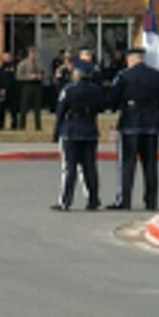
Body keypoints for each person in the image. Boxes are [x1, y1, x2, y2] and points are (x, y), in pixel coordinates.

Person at [108, 46, 159, 210]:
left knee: (127, 164)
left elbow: (113, 99)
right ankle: (151, 200)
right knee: (150, 165)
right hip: (151, 124)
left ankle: (124, 199)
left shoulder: (124, 76)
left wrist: (114, 108)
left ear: (130, 59)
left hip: (130, 122)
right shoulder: (157, 76)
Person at [51, 61, 105, 211]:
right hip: (89, 129)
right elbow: (101, 107)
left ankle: (66, 201)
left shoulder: (69, 89)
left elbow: (61, 111)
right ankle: (93, 199)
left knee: (70, 168)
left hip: (72, 131)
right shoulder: (96, 90)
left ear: (77, 74)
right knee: (90, 167)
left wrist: (57, 132)